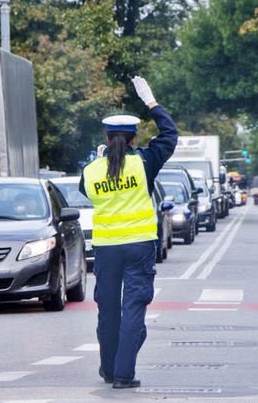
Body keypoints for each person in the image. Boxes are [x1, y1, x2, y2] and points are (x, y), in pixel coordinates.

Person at [79, 76, 178, 389]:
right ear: (134, 139)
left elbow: (86, 190)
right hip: (139, 246)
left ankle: (109, 370)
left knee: (107, 311)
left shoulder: (91, 170)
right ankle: (123, 374)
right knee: (133, 307)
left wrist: (99, 160)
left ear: (107, 139)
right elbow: (170, 135)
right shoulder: (145, 162)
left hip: (107, 248)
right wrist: (151, 102)